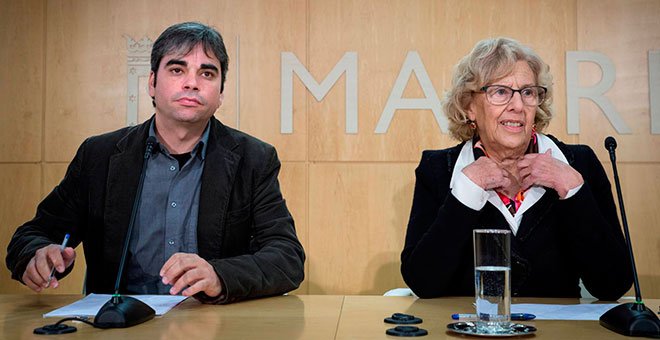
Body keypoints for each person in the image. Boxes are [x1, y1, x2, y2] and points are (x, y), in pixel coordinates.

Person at [6, 22, 305, 304]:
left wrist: (219, 276)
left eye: (207, 74)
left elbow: (287, 257)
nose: (192, 83)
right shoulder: (100, 155)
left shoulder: (253, 159)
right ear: (152, 82)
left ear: (220, 93)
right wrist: (36, 255)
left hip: (211, 323)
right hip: (118, 326)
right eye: (177, 69)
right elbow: (31, 235)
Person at [400, 37, 632, 300]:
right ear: (469, 107)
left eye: (528, 92)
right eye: (500, 92)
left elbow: (613, 284)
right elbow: (423, 283)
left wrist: (574, 192)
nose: (518, 105)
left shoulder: (579, 163)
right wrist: (465, 194)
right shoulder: (439, 170)